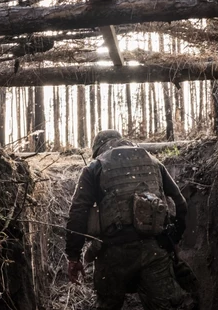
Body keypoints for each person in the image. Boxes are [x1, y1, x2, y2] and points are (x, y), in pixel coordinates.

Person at [65, 130, 189, 310]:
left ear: (99, 148)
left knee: (107, 305)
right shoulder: (154, 162)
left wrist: (73, 256)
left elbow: (78, 213)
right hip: (154, 251)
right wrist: (171, 239)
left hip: (112, 254)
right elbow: (181, 203)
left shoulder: (95, 168)